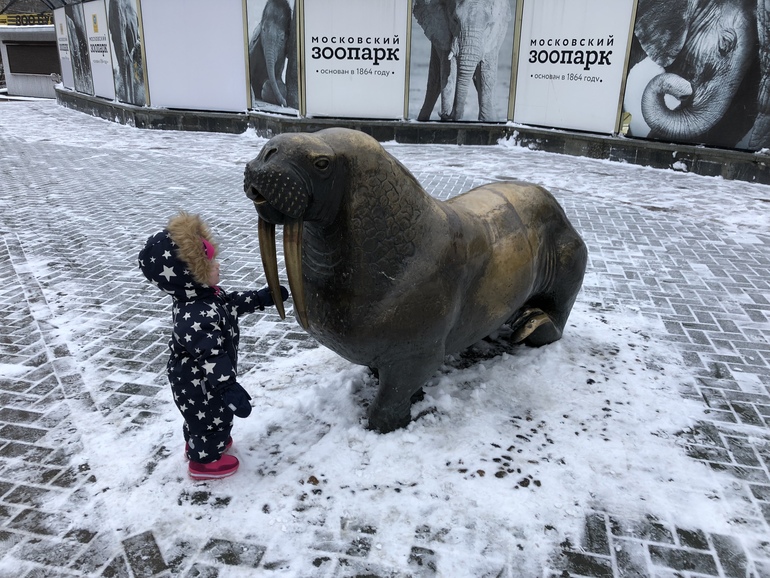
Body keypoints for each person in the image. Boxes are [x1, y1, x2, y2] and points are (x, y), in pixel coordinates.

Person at [138, 211, 288, 480]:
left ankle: (199, 444)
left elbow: (231, 304)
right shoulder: (196, 313)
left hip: (203, 378)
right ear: (189, 275)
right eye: (208, 264)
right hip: (199, 381)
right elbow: (211, 355)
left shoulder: (204, 297)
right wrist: (228, 387)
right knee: (209, 418)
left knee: (202, 417)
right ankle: (203, 462)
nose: (217, 265)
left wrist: (260, 298)